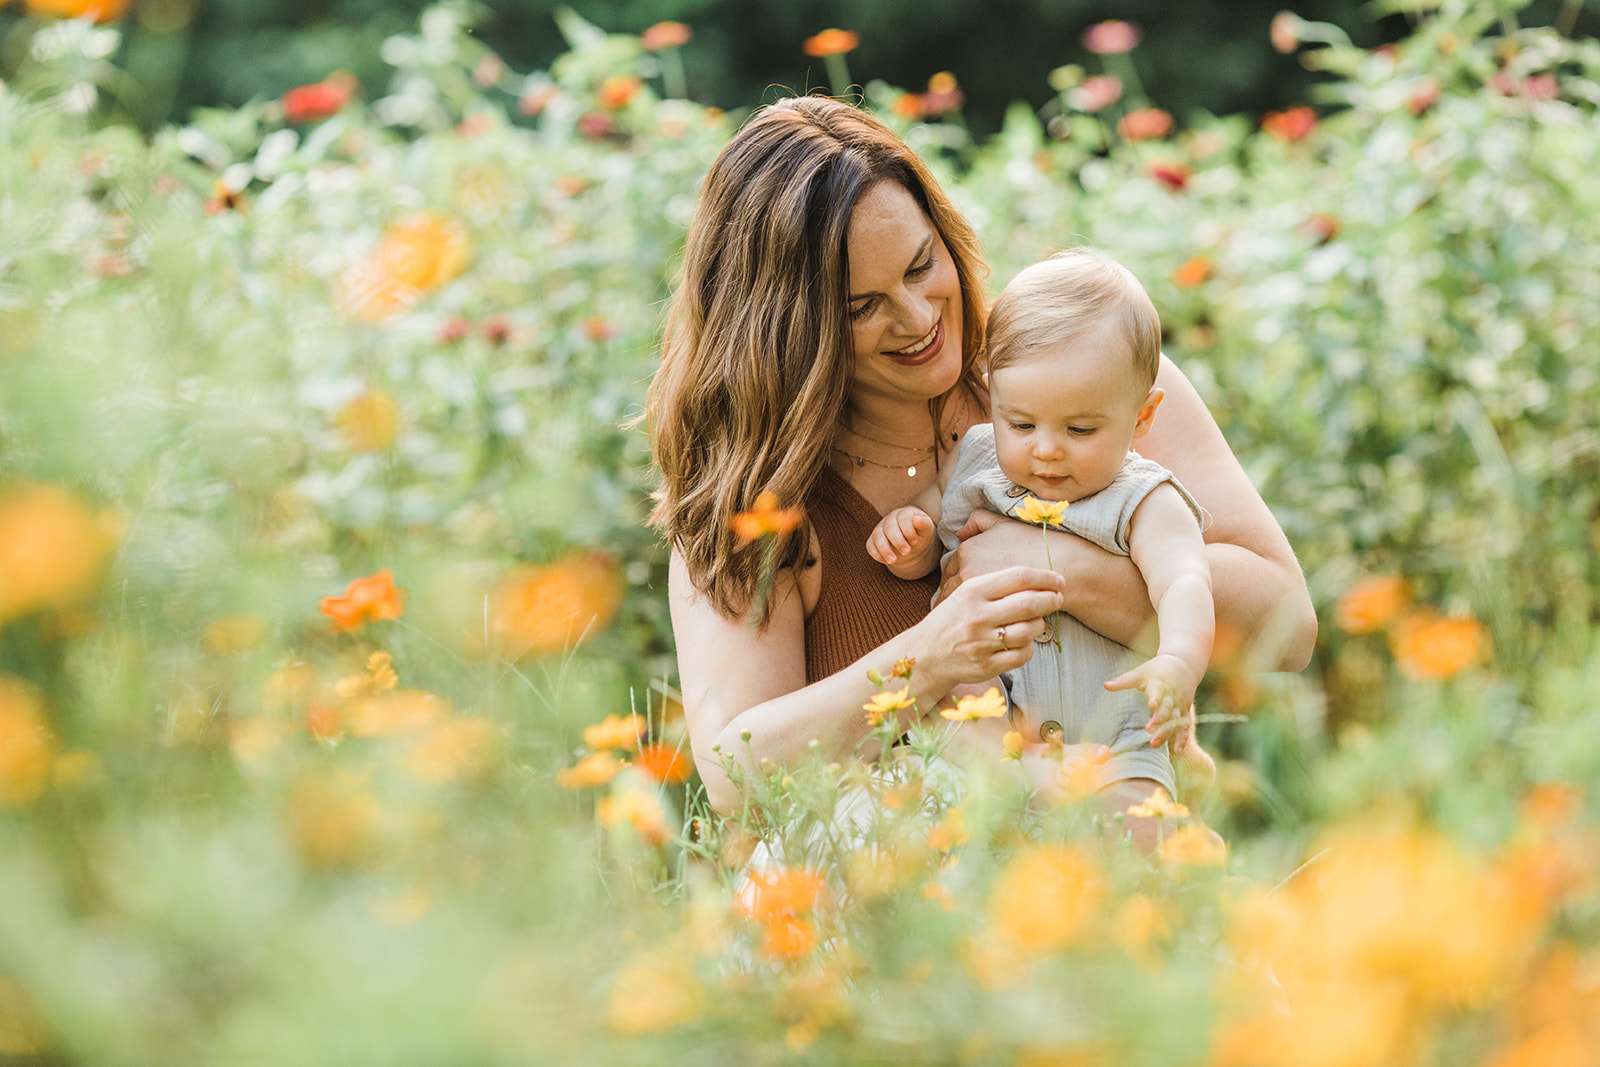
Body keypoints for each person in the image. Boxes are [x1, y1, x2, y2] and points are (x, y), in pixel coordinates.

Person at [644, 95, 1316, 829]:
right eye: (862, 306)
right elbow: (733, 773)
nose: (919, 317)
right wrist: (930, 654)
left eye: (921, 264)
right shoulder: (759, 498)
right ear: (787, 332)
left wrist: (1053, 564)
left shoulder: (1084, 371)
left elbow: (1288, 624)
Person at [867, 249, 1214, 815]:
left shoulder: (1146, 496)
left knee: (1138, 829)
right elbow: (938, 540)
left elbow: (1184, 581)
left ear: (1142, 418)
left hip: (1116, 740)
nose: (1046, 449)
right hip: (991, 720)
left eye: (1080, 428)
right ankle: (1011, 774)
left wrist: (1179, 658)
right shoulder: (977, 459)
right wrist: (913, 541)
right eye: (1021, 423)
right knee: (947, 724)